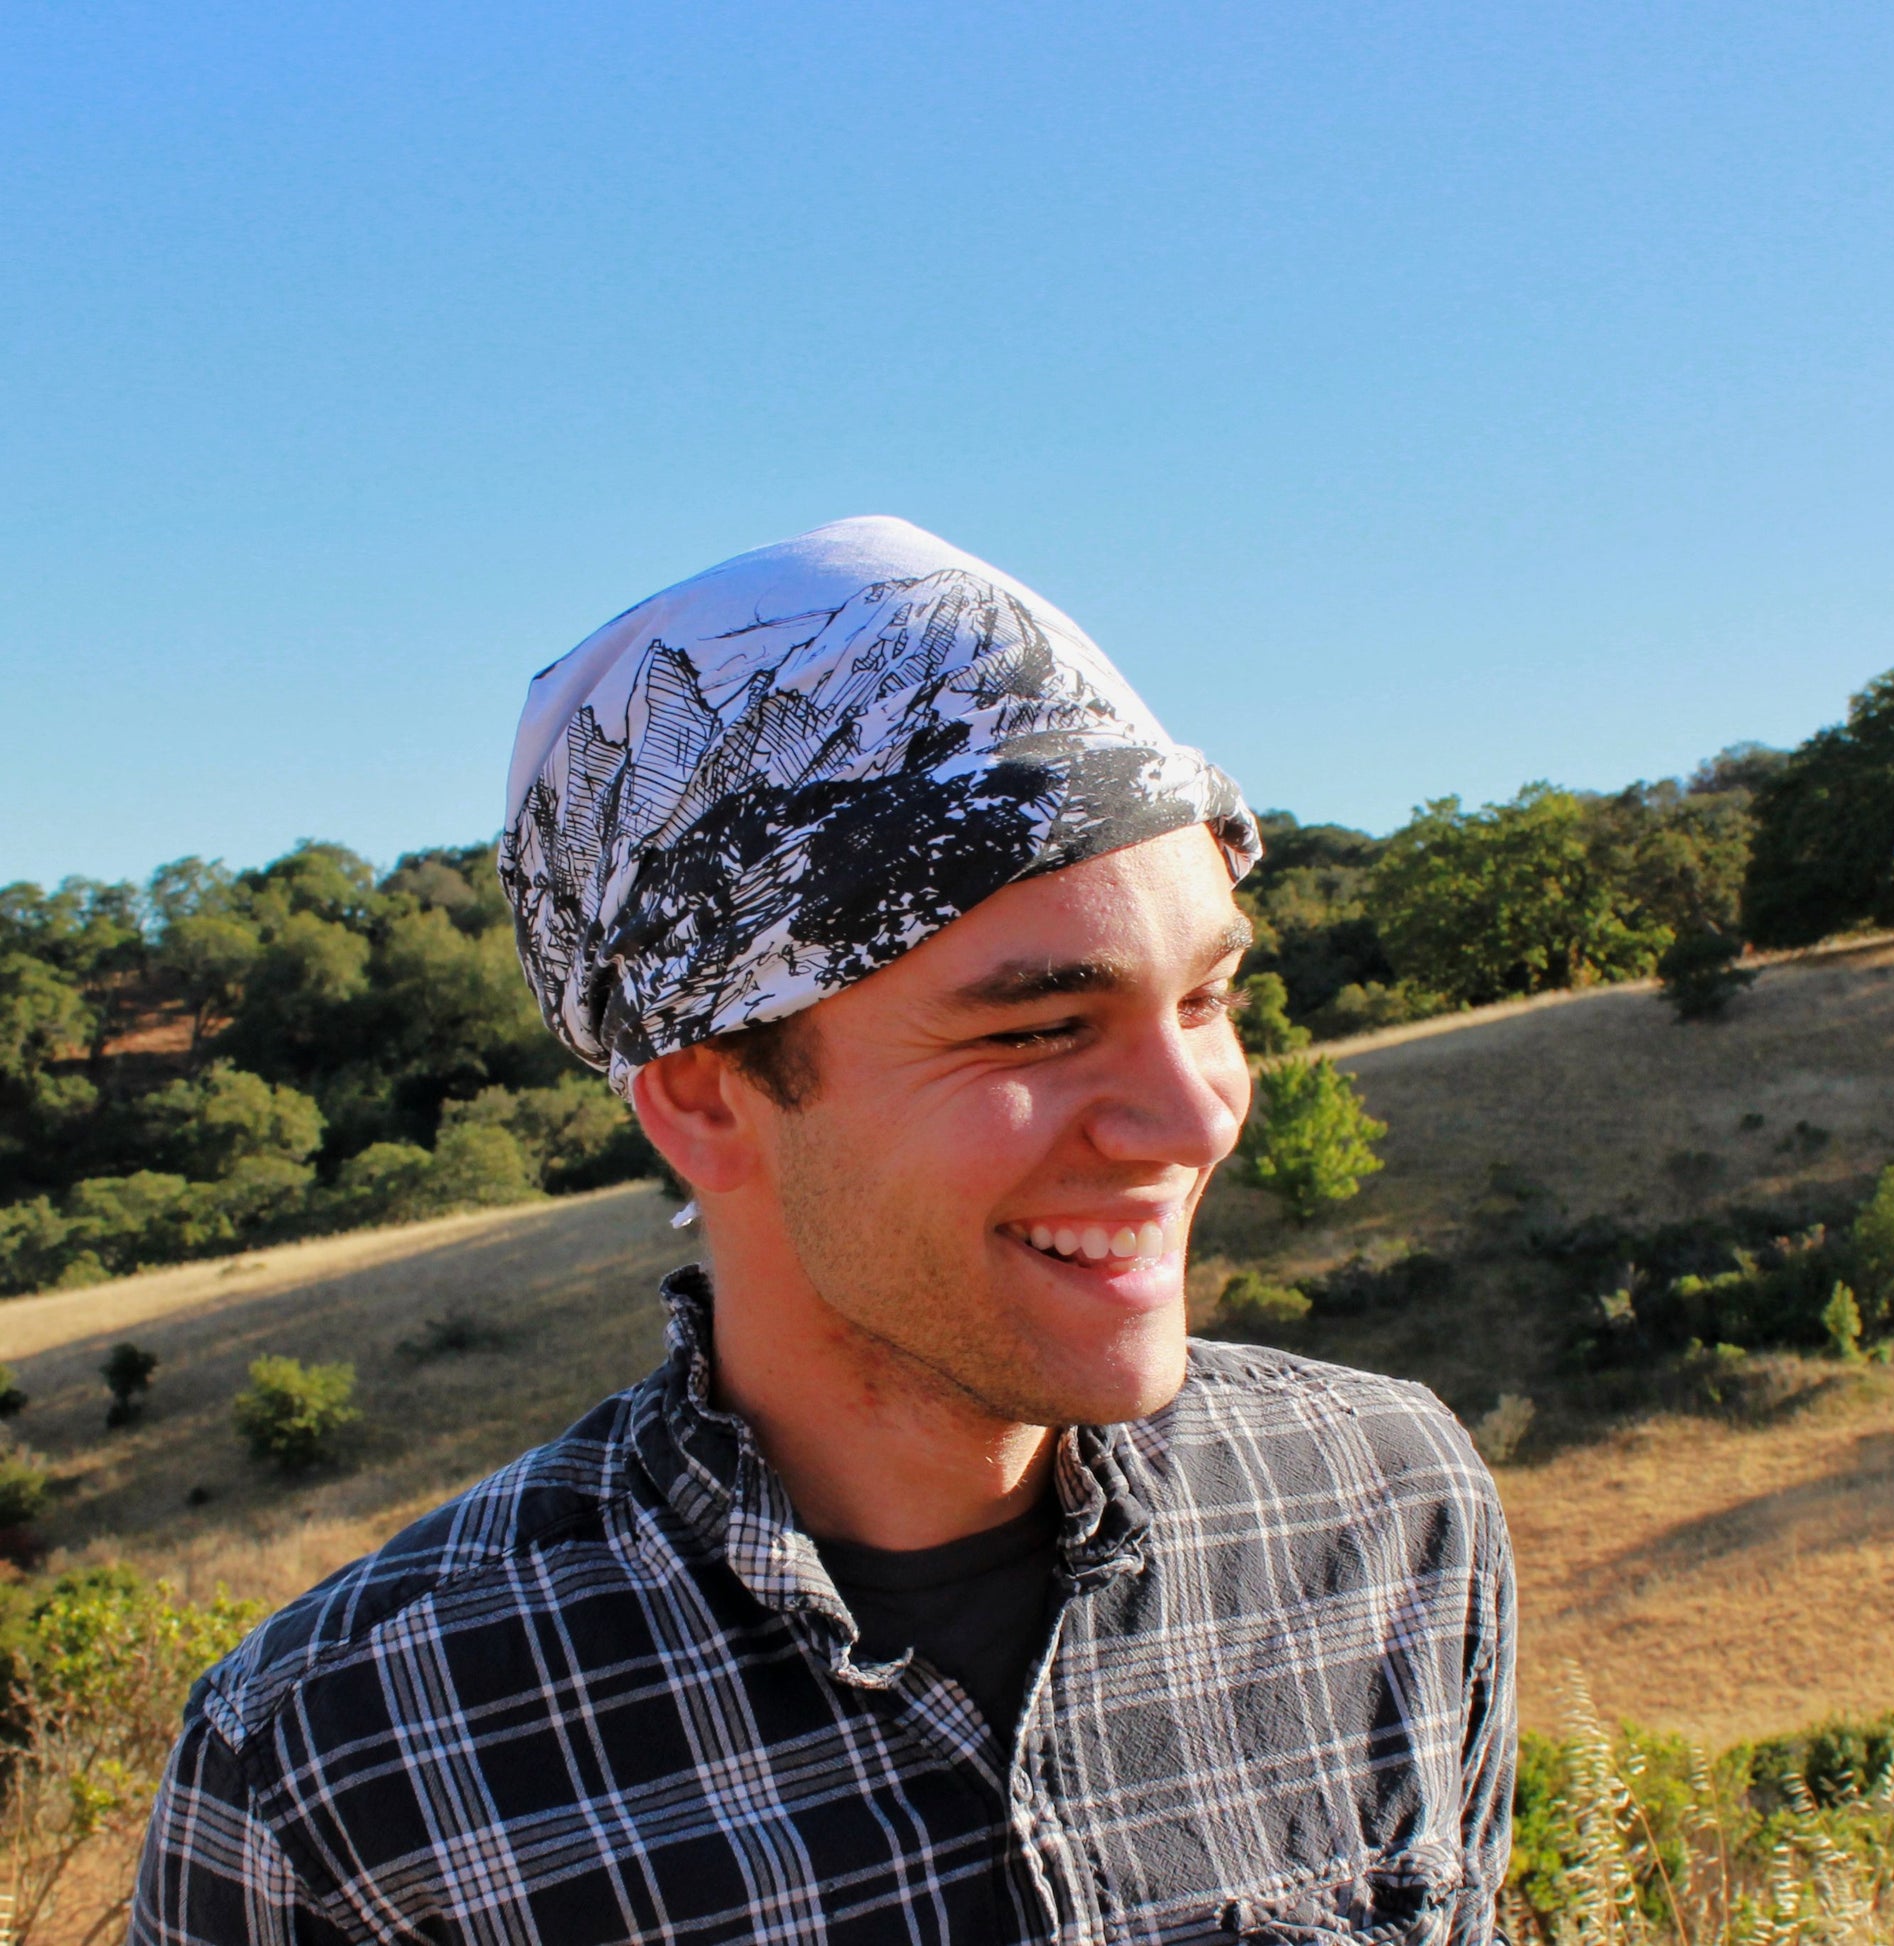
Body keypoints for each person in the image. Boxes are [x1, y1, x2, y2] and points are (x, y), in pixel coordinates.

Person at [132, 517, 1514, 1945]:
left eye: (1204, 1001)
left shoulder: (1384, 1510)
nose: (1192, 1117)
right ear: (704, 1099)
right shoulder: (344, 1771)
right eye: (1040, 1026)